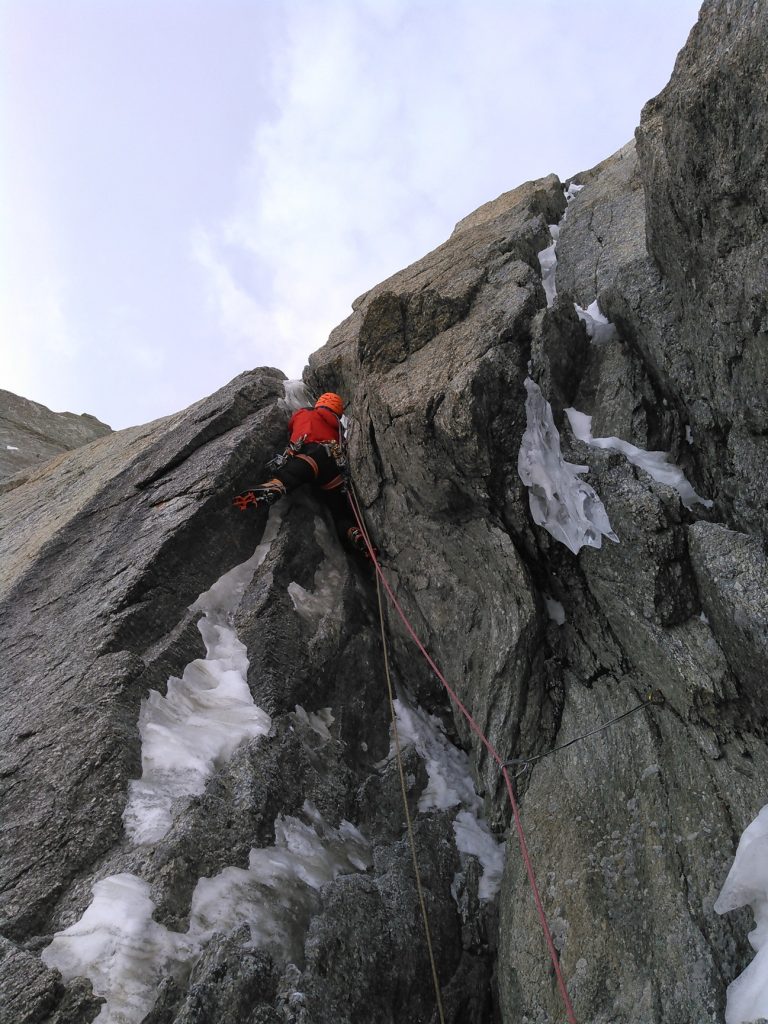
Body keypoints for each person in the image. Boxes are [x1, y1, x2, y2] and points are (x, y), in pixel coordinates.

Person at [233, 392, 374, 559]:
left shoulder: (305, 413)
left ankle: (275, 486)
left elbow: (292, 425)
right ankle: (353, 531)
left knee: (290, 474)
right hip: (333, 469)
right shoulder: (338, 427)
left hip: (309, 455)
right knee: (339, 512)